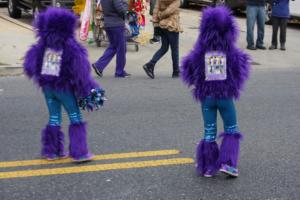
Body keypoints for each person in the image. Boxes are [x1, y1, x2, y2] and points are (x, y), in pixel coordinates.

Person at [24, 8, 106, 162]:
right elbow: (80, 73)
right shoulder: (71, 46)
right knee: (75, 116)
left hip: (48, 88)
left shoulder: (42, 45)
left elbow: (29, 67)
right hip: (64, 89)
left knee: (54, 117)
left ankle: (51, 151)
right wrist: (87, 89)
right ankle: (79, 152)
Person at [181, 6, 251, 178]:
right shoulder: (231, 52)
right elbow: (240, 70)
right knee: (231, 128)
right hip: (225, 97)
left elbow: (188, 68)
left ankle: (207, 166)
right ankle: (229, 164)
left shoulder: (199, 52)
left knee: (209, 131)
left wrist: (197, 82)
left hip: (207, 98)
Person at [143, 0, 182, 79]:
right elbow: (170, 10)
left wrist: (155, 22)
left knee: (164, 48)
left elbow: (155, 10)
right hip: (172, 25)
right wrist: (161, 15)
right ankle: (176, 71)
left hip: (163, 25)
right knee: (175, 49)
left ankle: (150, 64)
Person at [92, 0, 130, 78]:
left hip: (108, 23)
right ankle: (119, 72)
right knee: (121, 48)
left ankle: (99, 66)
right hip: (116, 24)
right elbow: (120, 9)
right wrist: (126, 5)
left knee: (113, 46)